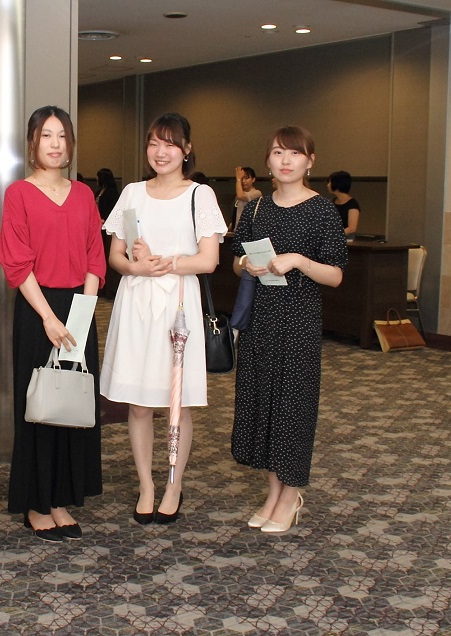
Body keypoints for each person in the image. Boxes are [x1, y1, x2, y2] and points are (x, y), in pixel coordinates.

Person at [100, 112, 227, 525]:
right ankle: (146, 485)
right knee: (139, 403)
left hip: (178, 305)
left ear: (186, 149)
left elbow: (209, 261)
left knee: (177, 402)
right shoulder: (133, 192)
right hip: (137, 302)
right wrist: (136, 267)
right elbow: (115, 256)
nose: (161, 152)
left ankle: (174, 483)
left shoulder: (200, 195)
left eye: (170, 144)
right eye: (154, 143)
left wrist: (167, 263)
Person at [231, 125, 348, 533]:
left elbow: (335, 275)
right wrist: (247, 264)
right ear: (268, 161)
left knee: (292, 408)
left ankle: (291, 493)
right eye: (278, 152)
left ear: (310, 161)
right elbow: (237, 261)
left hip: (298, 323)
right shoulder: (258, 209)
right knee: (262, 404)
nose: (285, 160)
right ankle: (273, 493)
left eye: (295, 153)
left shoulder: (322, 211)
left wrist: (297, 260)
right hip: (261, 321)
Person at [0, 105, 106, 542]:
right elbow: (16, 262)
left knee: (73, 404)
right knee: (40, 405)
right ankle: (36, 502)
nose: (56, 144)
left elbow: (95, 256)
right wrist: (48, 317)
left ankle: (61, 498)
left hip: (80, 309)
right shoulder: (18, 194)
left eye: (62, 136)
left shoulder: (83, 195)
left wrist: (82, 314)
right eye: (46, 135)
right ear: (32, 143)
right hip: (37, 309)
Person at [96, 168, 121, 299]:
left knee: (108, 255)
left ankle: (109, 290)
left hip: (108, 229)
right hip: (99, 228)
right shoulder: (100, 191)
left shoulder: (112, 193)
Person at [327, 170, 360, 238]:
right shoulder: (333, 202)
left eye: (330, 182)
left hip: (347, 239)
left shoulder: (352, 204)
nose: (328, 185)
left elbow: (352, 228)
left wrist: (335, 236)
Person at [232, 166, 262, 231]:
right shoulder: (239, 193)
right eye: (242, 178)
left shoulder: (257, 193)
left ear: (253, 179)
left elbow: (241, 196)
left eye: (246, 178)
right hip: (238, 228)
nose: (243, 181)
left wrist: (238, 179)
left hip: (249, 229)